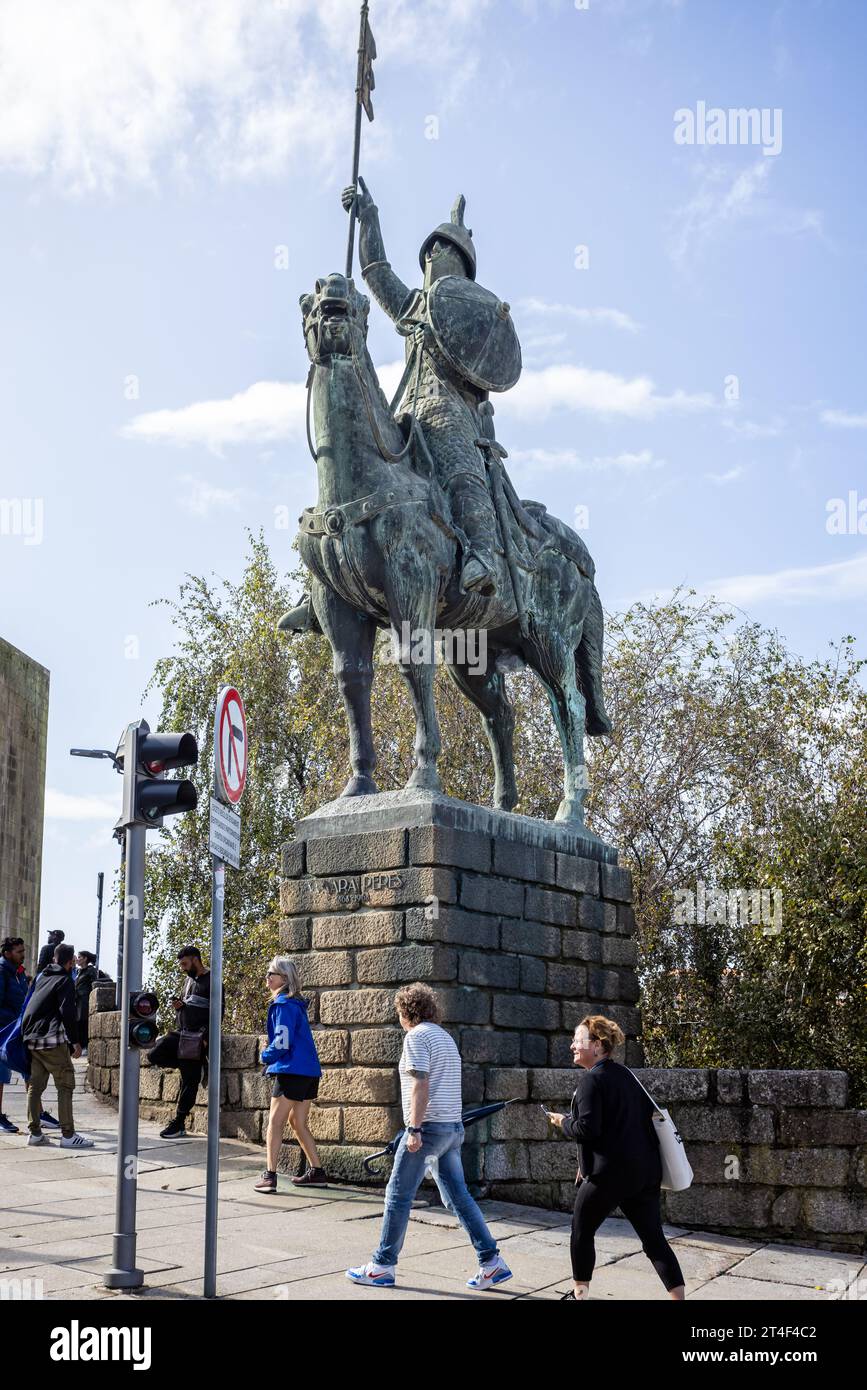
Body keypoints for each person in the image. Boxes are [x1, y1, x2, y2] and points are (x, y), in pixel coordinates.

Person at [346, 983, 512, 1291]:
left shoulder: (416, 1036)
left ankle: (381, 1265)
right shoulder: (444, 1037)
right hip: (452, 1130)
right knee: (458, 1198)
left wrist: (414, 1129)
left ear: (405, 1011)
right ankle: (491, 1262)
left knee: (397, 1196)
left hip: (429, 1130)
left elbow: (420, 1084)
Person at [547, 1015, 685, 1302]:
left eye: (578, 1040)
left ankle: (579, 1295)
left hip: (609, 1175)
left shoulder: (591, 1081)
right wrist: (582, 1161)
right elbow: (623, 1124)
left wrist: (563, 1121)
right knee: (654, 1241)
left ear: (597, 1046)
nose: (572, 1045)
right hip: (645, 1172)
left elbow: (587, 1128)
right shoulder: (627, 1076)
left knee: (580, 1232)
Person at [254, 957, 326, 1192]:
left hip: (291, 1071)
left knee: (275, 1123)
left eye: (271, 973)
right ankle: (317, 1172)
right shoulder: (296, 1005)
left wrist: (265, 1056)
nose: (267, 977)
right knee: (297, 1122)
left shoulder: (283, 1005)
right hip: (308, 1072)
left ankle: (270, 1176)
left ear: (284, 979)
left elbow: (282, 1041)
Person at [146, 945, 224, 1139]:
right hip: (182, 1033)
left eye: (185, 963)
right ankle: (191, 1064)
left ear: (195, 960)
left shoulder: (213, 980)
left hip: (197, 1038)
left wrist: (206, 1038)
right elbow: (190, 1006)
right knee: (154, 1054)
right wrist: (180, 1007)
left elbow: (218, 1013)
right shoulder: (188, 981)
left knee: (190, 1082)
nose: (182, 967)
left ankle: (179, 1122)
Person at [21, 942, 93, 1148]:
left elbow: (27, 1004)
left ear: (54, 958)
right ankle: (68, 1136)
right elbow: (67, 1012)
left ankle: (34, 1133)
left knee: (35, 1086)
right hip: (52, 1038)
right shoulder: (64, 980)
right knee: (66, 1084)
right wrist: (75, 1041)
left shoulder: (41, 977)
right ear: (70, 962)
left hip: (32, 1038)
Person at [0, 936, 30, 1133]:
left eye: (23, 951)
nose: (23, 955)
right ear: (7, 953)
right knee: (1, 1074)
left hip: (17, 1029)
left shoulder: (18, 973)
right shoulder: (2, 972)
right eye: (19, 952)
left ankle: (37, 1113)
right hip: (4, 1030)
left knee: (29, 1069)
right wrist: (13, 1020)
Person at [74, 951, 109, 1054]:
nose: (77, 959)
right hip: (79, 1000)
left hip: (85, 1000)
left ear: (85, 959)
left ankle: (86, 1046)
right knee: (79, 1023)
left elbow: (96, 982)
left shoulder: (91, 971)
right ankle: (83, 1045)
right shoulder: (79, 972)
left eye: (79, 957)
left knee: (84, 1022)